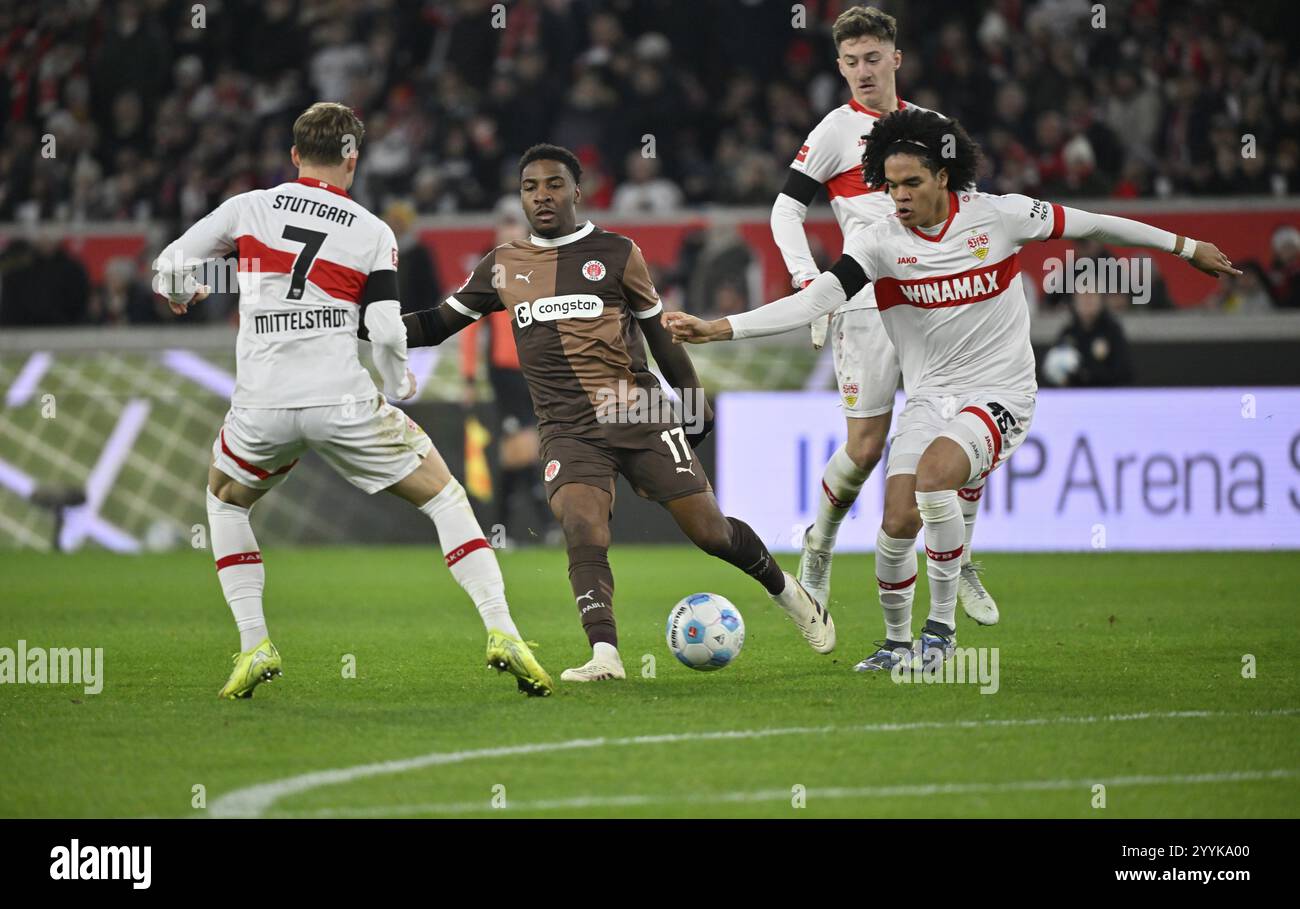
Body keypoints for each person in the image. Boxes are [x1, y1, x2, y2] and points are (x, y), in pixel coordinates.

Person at [665, 108, 1239, 672]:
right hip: (930, 395)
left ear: (944, 176)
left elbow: (1094, 223)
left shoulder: (1000, 217)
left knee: (936, 478)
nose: (900, 197)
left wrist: (1186, 248)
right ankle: (895, 643)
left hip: (1001, 390)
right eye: (890, 186)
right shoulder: (880, 243)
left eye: (912, 182)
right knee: (894, 524)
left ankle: (940, 632)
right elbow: (817, 299)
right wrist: (720, 329)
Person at [154, 102, 553, 700]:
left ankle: (254, 643)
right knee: (445, 497)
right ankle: (502, 631)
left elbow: (168, 267)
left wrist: (180, 289)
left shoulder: (248, 208)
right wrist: (397, 385)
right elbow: (388, 329)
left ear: (294, 156)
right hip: (341, 401)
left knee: (227, 504)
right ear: (352, 157)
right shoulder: (371, 230)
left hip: (261, 405)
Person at [401, 143, 833, 683]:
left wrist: (695, 407)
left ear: (577, 191)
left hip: (637, 407)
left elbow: (663, 339)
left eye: (554, 185)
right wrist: (364, 322)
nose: (542, 196)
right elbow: (436, 324)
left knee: (711, 533)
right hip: (566, 426)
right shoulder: (504, 266)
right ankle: (605, 654)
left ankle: (789, 593)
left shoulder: (617, 252)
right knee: (582, 526)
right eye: (531, 187)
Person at [770, 6, 998, 626]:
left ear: (896, 59)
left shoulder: (932, 128)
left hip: (933, 303)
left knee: (955, 429)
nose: (863, 72)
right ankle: (818, 545)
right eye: (851, 62)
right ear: (839, 66)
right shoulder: (835, 130)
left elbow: (971, 206)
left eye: (873, 59)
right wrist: (808, 279)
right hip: (867, 302)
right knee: (866, 447)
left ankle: (962, 554)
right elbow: (784, 212)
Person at [459, 213, 554, 542]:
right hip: (504, 373)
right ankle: (546, 523)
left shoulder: (540, 274)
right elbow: (468, 328)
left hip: (535, 372)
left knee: (517, 451)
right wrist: (469, 377)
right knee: (524, 446)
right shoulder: (488, 278)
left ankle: (500, 531)